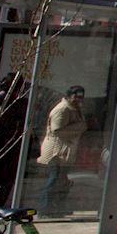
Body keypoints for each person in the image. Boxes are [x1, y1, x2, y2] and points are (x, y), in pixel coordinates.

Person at [36, 85, 85, 215]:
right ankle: (44, 209)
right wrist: (80, 127)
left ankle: (57, 208)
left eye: (81, 97)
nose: (78, 99)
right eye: (76, 96)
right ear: (69, 96)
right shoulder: (62, 109)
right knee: (53, 180)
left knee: (62, 181)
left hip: (64, 151)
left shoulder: (75, 109)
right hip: (55, 152)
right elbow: (57, 131)